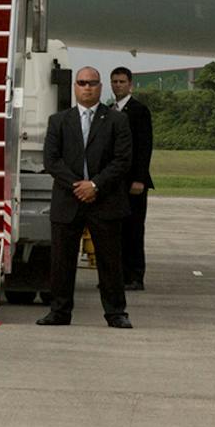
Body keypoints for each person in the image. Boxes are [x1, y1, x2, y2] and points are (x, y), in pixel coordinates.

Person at [38, 65, 132, 329]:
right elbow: (52, 160)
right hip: (69, 200)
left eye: (92, 83)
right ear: (75, 87)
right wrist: (78, 185)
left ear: (100, 87)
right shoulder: (58, 121)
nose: (87, 87)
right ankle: (59, 312)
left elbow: (122, 159)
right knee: (61, 261)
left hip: (106, 200)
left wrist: (96, 185)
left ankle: (116, 313)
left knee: (110, 261)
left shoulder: (117, 121)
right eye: (81, 83)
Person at [110, 67, 153, 291]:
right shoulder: (109, 110)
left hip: (133, 182)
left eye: (122, 82)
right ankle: (118, 276)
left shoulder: (139, 110)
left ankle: (135, 276)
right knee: (115, 231)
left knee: (134, 229)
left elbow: (145, 147)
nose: (118, 85)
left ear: (130, 85)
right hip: (114, 182)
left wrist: (140, 178)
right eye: (115, 81)